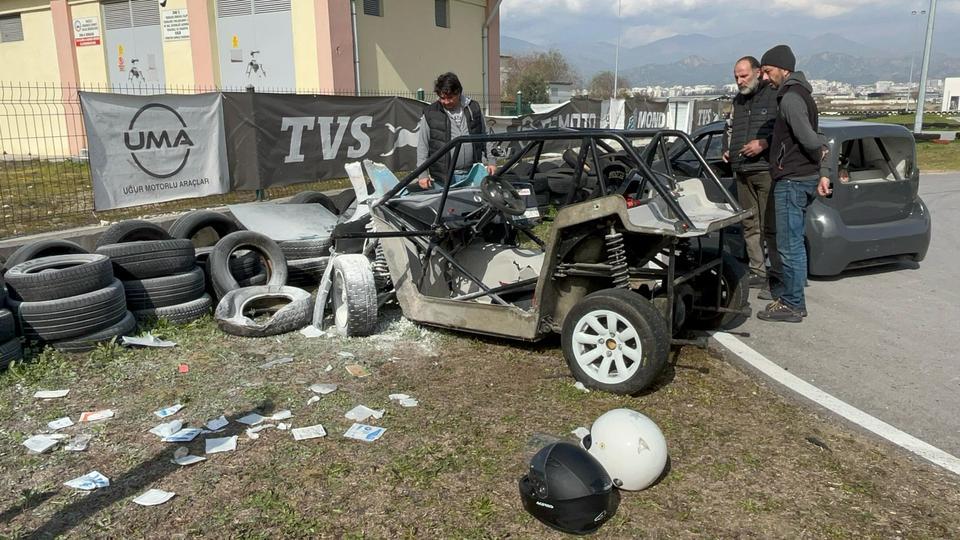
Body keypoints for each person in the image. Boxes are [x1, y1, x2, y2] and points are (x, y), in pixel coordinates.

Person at [757, 45, 834, 323]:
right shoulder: (803, 94)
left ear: (783, 69)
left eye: (767, 71)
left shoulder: (790, 98)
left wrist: (822, 153)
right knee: (795, 244)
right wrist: (823, 171)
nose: (765, 78)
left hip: (792, 180)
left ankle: (791, 303)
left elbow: (812, 139)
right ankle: (793, 298)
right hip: (803, 177)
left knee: (789, 245)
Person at [722, 56, 779, 299]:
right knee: (750, 224)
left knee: (771, 226)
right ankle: (758, 271)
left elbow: (784, 132)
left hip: (765, 170)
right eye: (736, 76)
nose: (739, 80)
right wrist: (728, 149)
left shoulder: (774, 96)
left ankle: (777, 277)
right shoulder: (738, 100)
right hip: (742, 169)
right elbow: (730, 128)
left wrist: (764, 144)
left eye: (743, 75)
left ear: (757, 72)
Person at [416, 72, 496, 190]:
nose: (446, 102)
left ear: (458, 93)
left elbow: (486, 136)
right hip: (443, 179)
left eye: (450, 98)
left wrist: (492, 161)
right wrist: (422, 174)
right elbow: (423, 146)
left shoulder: (473, 108)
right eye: (442, 98)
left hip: (473, 174)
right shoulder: (430, 113)